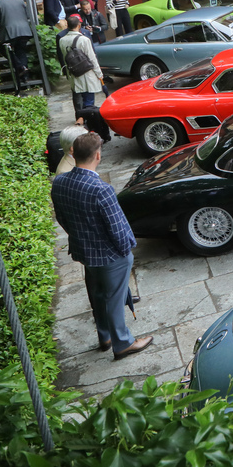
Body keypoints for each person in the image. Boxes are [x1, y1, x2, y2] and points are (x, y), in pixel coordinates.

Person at [50, 132, 153, 360]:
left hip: (83, 251)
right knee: (114, 298)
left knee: (97, 294)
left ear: (74, 154)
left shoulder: (59, 182)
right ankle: (123, 343)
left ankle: (104, 337)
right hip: (110, 255)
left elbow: (61, 218)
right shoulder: (101, 189)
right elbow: (118, 229)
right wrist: (126, 250)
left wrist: (79, 237)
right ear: (98, 155)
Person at [60, 15, 103, 109]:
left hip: (74, 73)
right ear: (79, 25)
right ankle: (89, 120)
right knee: (89, 101)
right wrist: (99, 74)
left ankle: (82, 118)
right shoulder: (84, 40)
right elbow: (92, 59)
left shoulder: (62, 40)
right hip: (87, 73)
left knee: (81, 100)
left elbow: (64, 57)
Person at [0, 0, 31, 79]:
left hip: (9, 33)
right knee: (21, 52)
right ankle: (25, 77)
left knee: (3, 49)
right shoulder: (19, 0)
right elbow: (27, 15)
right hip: (24, 31)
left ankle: (20, 67)